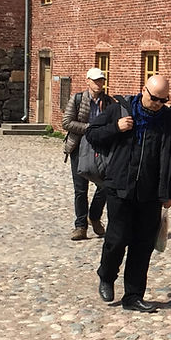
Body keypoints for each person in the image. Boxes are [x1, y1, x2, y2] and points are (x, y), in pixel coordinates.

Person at [86, 74, 171, 313]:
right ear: (143, 91)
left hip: (151, 193)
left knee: (142, 246)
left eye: (164, 100)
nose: (159, 104)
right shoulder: (121, 110)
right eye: (155, 99)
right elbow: (92, 134)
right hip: (120, 187)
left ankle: (133, 295)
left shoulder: (167, 121)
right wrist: (115, 128)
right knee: (117, 239)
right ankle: (107, 276)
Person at [62, 67, 109, 241]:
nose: (99, 83)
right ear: (87, 81)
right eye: (95, 80)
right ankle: (80, 226)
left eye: (101, 80)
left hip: (101, 148)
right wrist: (90, 128)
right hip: (79, 147)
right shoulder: (77, 99)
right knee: (80, 189)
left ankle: (94, 217)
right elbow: (66, 122)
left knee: (104, 185)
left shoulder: (109, 102)